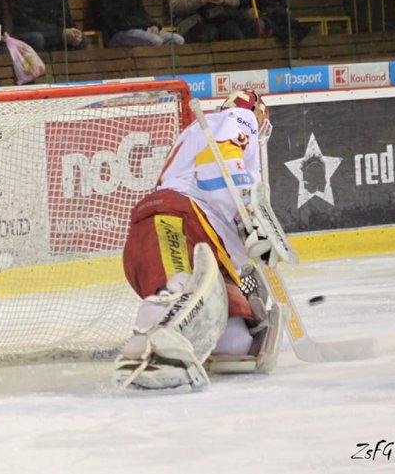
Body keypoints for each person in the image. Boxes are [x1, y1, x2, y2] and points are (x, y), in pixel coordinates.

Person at [114, 90, 282, 390]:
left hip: (205, 237)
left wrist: (249, 238)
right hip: (174, 220)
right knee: (177, 291)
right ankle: (146, 348)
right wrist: (251, 217)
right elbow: (218, 168)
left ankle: (169, 341)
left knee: (235, 344)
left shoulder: (202, 130)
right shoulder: (239, 116)